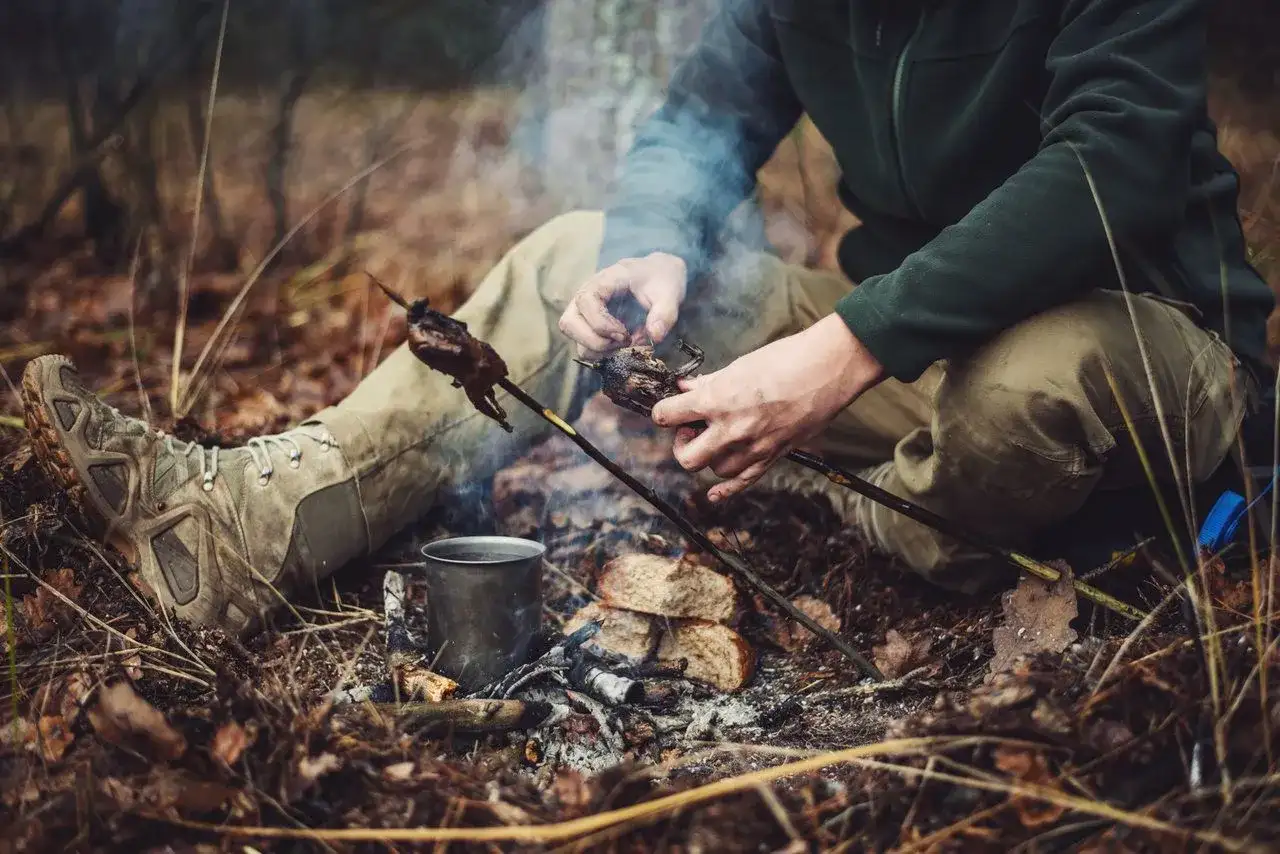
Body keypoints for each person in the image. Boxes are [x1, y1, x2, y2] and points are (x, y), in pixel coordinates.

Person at [21, 0, 1275, 637]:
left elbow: (1111, 164)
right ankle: (239, 533)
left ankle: (883, 518)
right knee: (576, 253)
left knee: (1020, 392)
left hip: (1144, 338)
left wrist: (839, 350)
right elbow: (697, 119)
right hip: (919, 344)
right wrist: (652, 243)